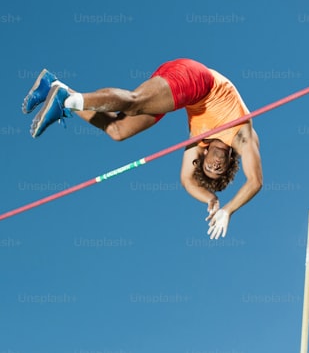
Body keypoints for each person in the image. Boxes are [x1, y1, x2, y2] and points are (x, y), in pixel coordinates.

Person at [22, 59, 262, 240]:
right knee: (134, 102)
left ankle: (53, 86)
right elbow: (255, 182)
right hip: (197, 80)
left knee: (118, 130)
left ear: (204, 153)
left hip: (181, 92)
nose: (214, 165)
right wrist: (229, 210)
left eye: (209, 168)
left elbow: (187, 180)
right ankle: (63, 99)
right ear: (230, 162)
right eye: (217, 170)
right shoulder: (242, 136)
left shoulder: (199, 139)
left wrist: (211, 200)